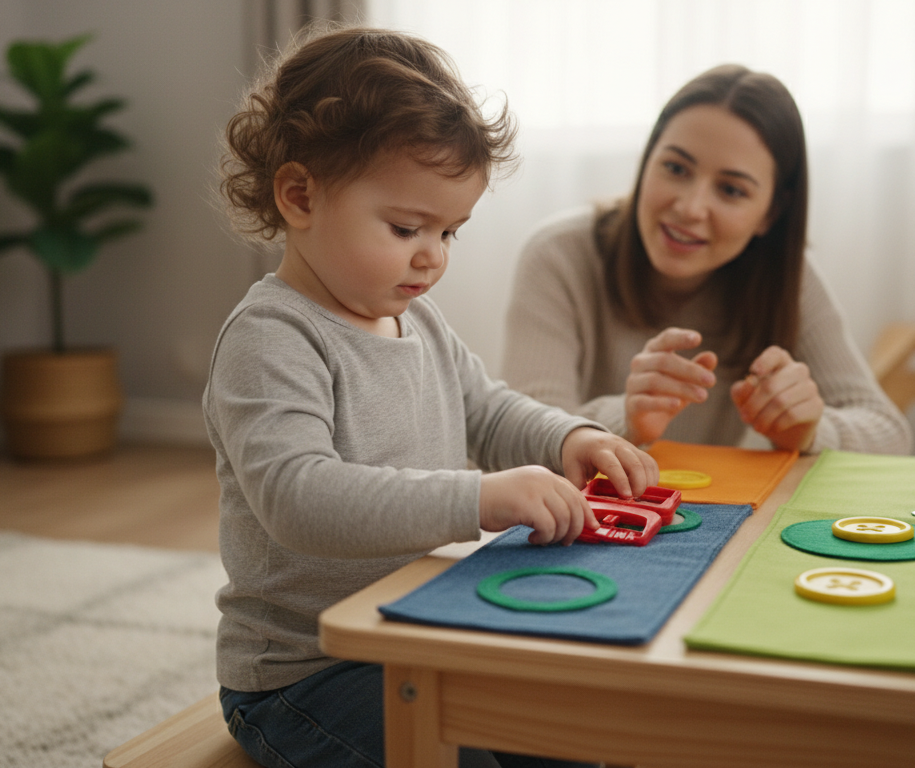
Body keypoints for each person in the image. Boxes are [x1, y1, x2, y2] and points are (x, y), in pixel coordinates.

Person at [206, 26, 655, 768]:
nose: (432, 256)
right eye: (406, 227)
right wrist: (479, 499)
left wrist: (568, 438)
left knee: (570, 737)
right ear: (299, 195)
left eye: (450, 232)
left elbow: (488, 409)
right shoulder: (270, 337)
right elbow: (297, 497)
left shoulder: (418, 320)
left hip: (424, 631)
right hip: (308, 675)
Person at [501, 65, 911, 456]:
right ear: (646, 162)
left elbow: (890, 432)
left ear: (770, 213)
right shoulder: (559, 255)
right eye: (675, 168)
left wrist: (811, 431)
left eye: (731, 190)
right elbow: (519, 439)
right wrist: (625, 417)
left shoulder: (785, 277)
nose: (690, 208)